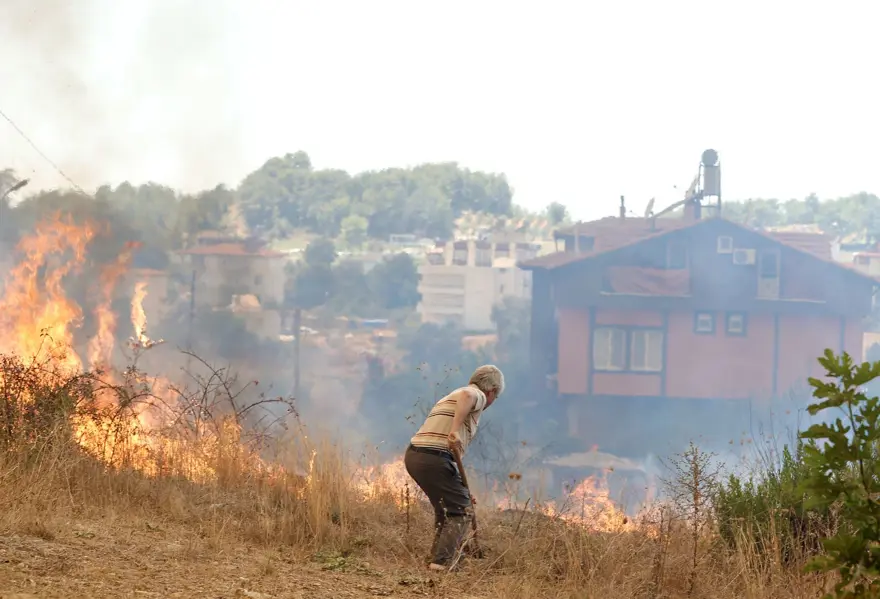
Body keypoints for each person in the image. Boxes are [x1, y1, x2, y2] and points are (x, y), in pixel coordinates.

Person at [403, 364, 505, 571]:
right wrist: (455, 430)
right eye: (495, 397)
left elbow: (449, 457)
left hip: (416, 456)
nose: (491, 402)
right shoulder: (476, 394)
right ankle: (443, 563)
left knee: (446, 509)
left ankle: (436, 558)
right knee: (461, 511)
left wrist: (460, 488)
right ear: (491, 391)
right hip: (433, 458)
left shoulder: (451, 396)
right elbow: (469, 396)